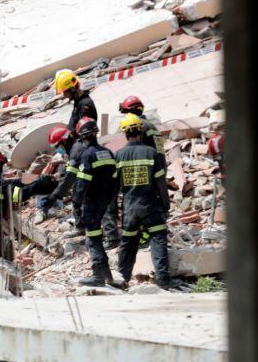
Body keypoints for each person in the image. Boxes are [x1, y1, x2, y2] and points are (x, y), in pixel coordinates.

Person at [116, 114, 174, 289]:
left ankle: (122, 279)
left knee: (128, 242)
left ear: (125, 133)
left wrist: (114, 213)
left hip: (130, 208)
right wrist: (166, 204)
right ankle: (163, 281)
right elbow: (160, 182)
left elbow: (114, 188)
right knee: (158, 237)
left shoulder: (118, 155)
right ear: (141, 131)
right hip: (149, 205)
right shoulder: (151, 153)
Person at [0, 148, 56, 257]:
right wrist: (37, 184)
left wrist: (36, 177)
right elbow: (20, 195)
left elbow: (14, 181)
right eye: (2, 165)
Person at [72, 118, 119, 287]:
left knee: (92, 238)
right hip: (105, 202)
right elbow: (115, 180)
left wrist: (76, 202)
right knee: (97, 238)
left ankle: (98, 277)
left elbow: (83, 182)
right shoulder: (108, 153)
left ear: (82, 136)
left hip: (91, 203)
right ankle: (108, 276)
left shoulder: (87, 155)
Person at [55, 69, 97, 135]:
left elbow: (83, 131)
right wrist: (65, 135)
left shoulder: (85, 105)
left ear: (72, 89)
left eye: (65, 92)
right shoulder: (78, 101)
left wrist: (67, 137)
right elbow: (73, 122)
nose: (64, 95)